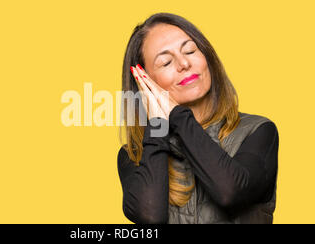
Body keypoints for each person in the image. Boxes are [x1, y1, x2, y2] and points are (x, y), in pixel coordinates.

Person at [117, 13, 279, 224]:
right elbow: (150, 218)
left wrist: (177, 115)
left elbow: (229, 191)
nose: (184, 63)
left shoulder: (257, 131)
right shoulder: (133, 155)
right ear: (144, 82)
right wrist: (157, 124)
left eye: (190, 50)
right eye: (166, 62)